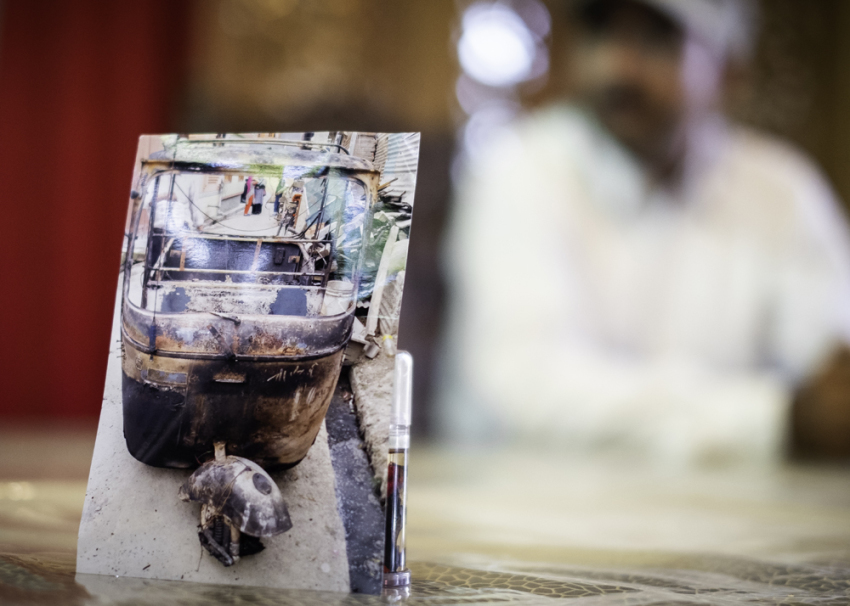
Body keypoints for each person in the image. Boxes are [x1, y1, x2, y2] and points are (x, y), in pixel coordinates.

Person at [440, 0, 850, 464]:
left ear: (731, 71)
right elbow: (524, 389)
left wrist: (818, 407)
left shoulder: (782, 192)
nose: (617, 66)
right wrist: (772, 418)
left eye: (657, 38)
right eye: (599, 30)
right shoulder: (519, 168)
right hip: (529, 501)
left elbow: (830, 376)